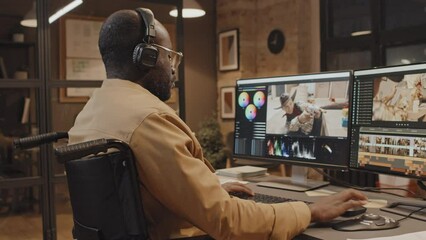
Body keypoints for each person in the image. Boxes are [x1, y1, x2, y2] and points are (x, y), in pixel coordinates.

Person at [68, 8, 368, 240]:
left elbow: (143, 191)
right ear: (147, 58)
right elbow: (226, 221)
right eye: (168, 56)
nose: (173, 68)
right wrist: (309, 210)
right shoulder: (149, 119)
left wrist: (211, 186)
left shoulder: (91, 114)